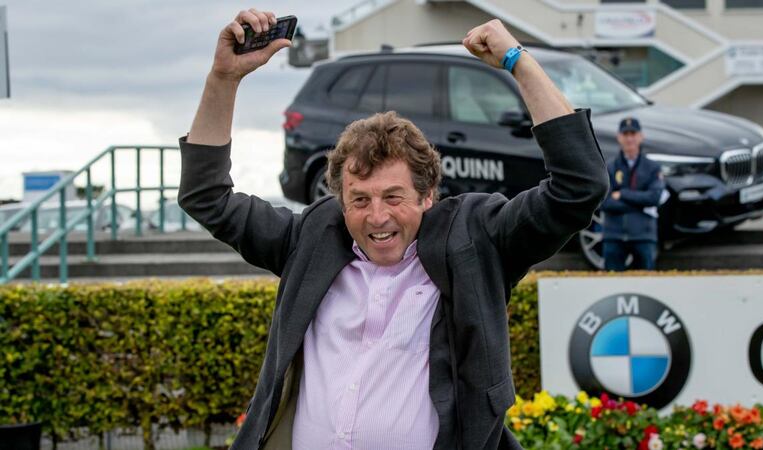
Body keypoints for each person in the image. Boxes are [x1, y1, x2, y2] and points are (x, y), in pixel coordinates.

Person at [178, 9, 609, 450]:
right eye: (360, 200)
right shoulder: (310, 238)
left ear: (427, 195)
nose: (377, 217)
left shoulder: (476, 239)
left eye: (393, 197)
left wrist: (518, 61)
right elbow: (206, 196)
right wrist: (223, 79)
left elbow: (578, 188)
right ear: (340, 200)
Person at [601, 117, 665, 271]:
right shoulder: (609, 167)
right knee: (611, 281)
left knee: (645, 281)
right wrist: (640, 204)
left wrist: (622, 194)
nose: (629, 138)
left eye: (633, 134)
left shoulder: (653, 168)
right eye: (625, 134)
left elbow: (654, 198)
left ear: (641, 136)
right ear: (619, 137)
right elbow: (604, 202)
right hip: (614, 235)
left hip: (643, 235)